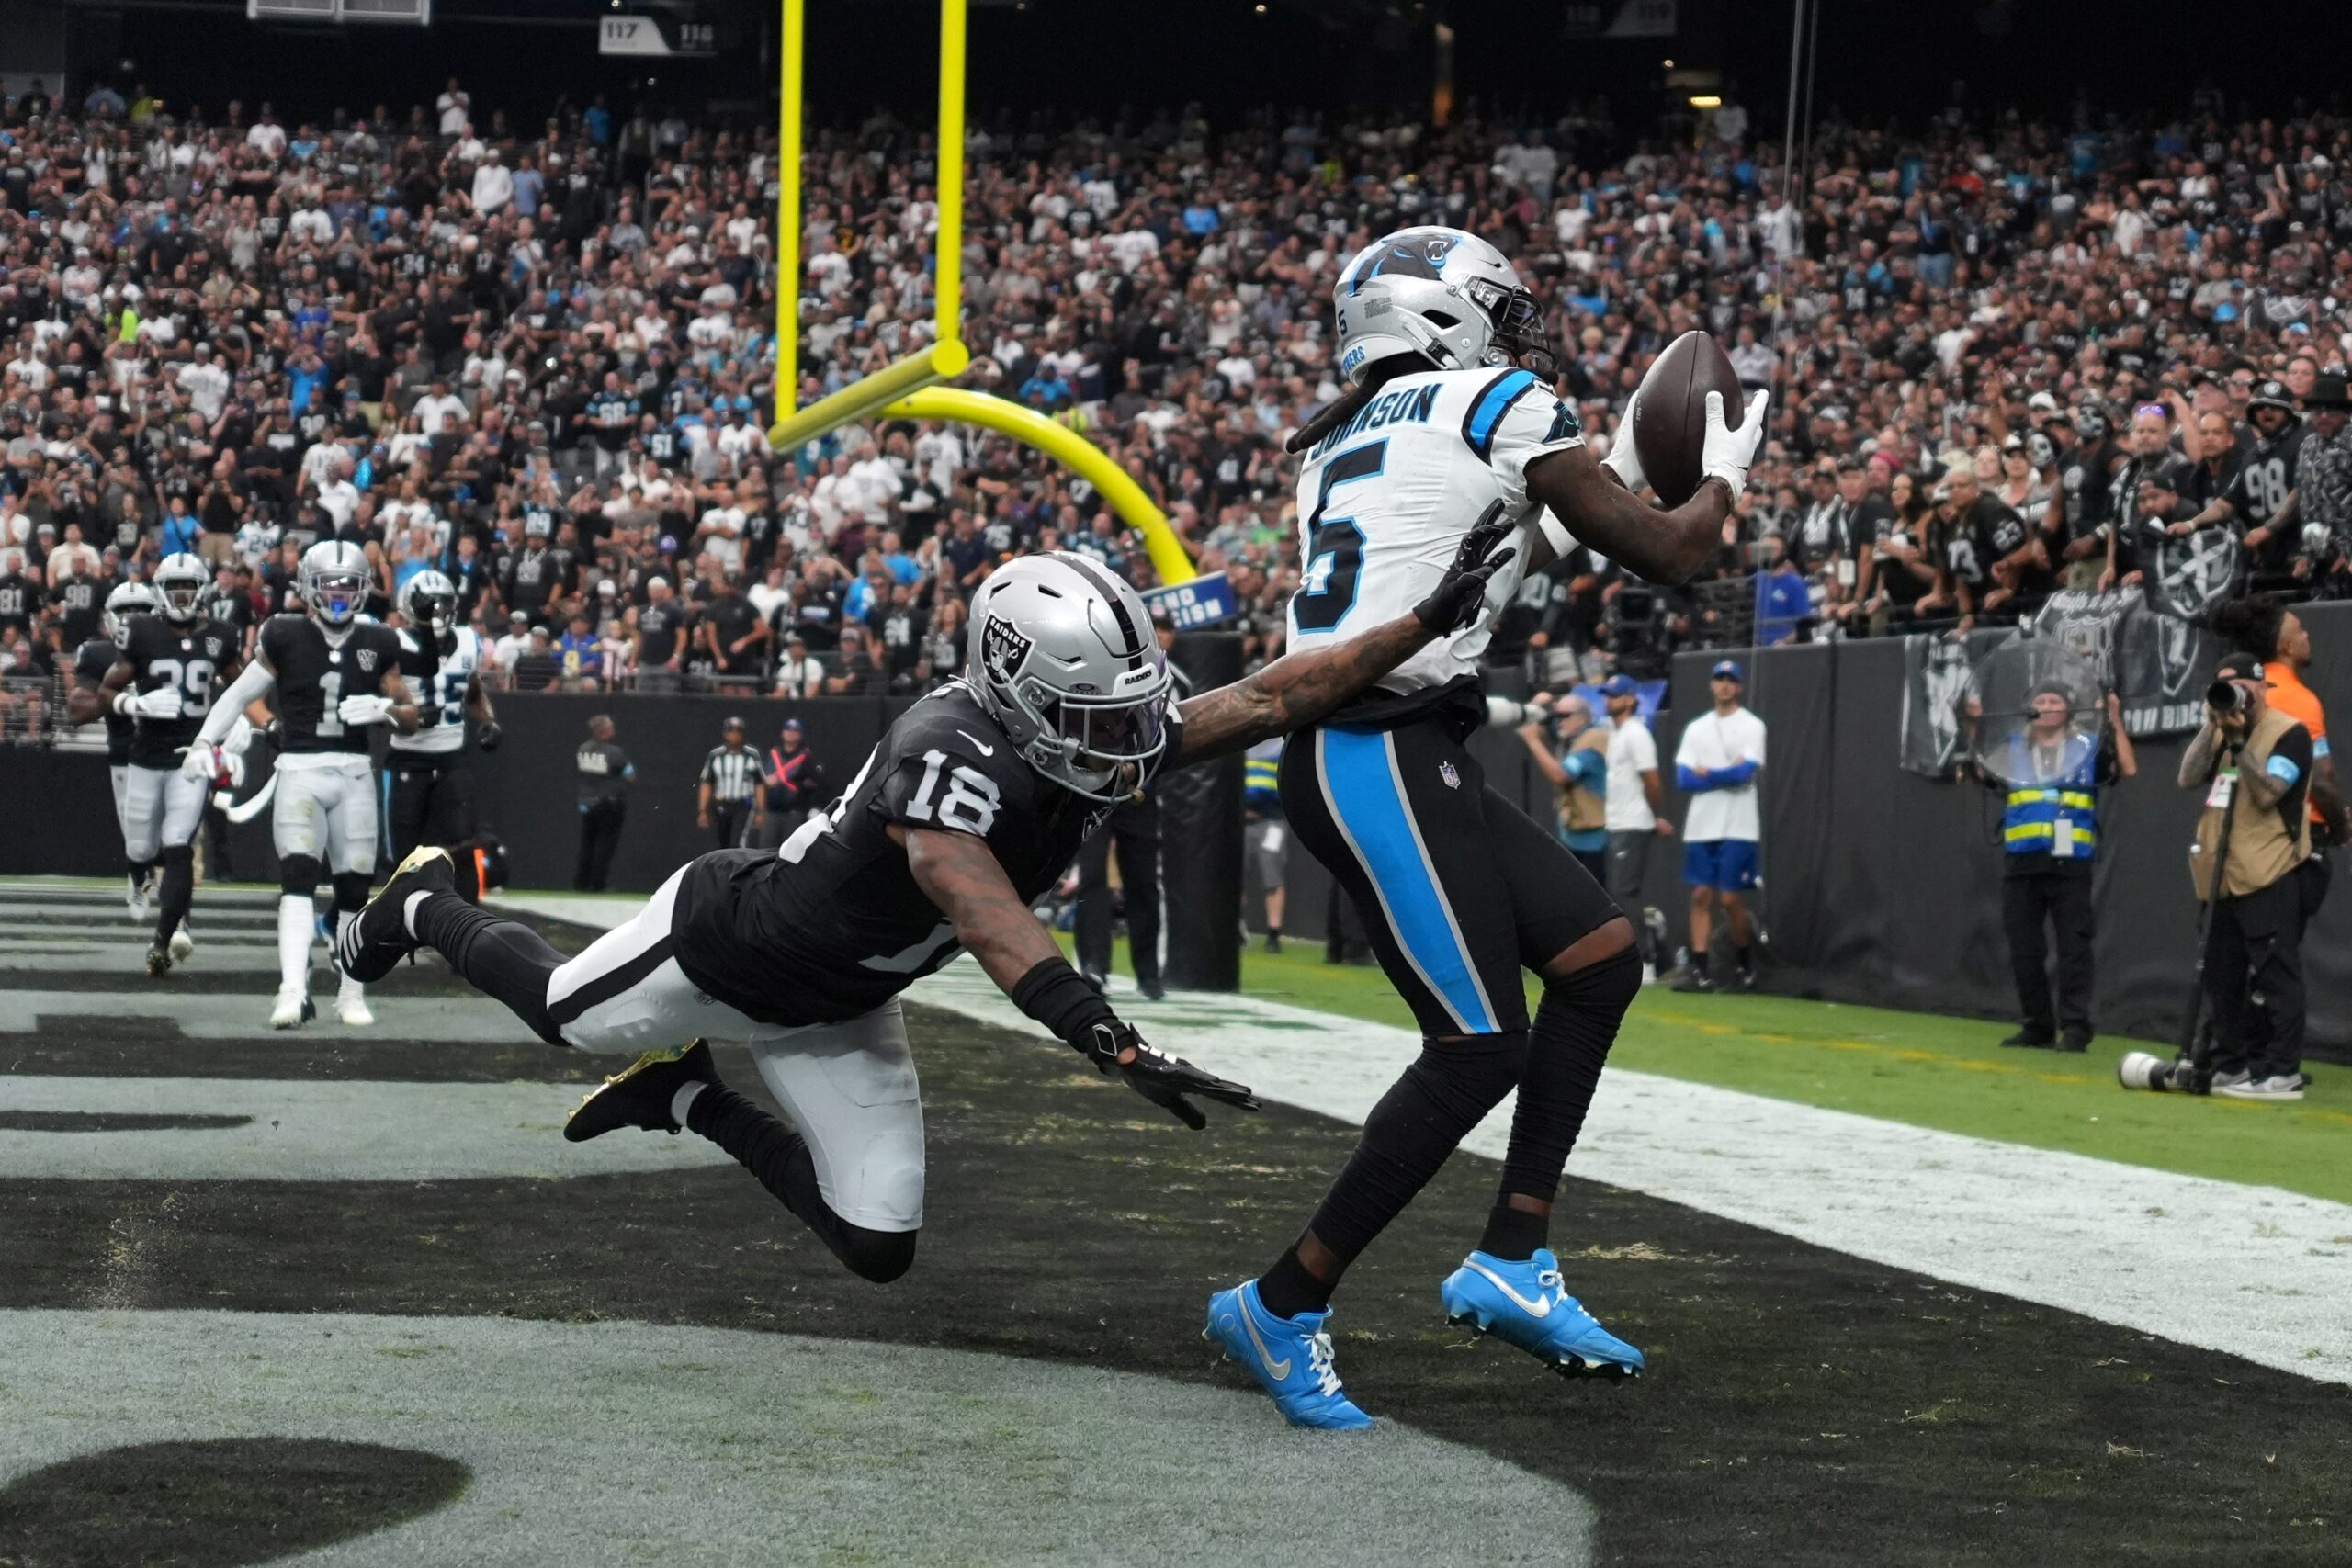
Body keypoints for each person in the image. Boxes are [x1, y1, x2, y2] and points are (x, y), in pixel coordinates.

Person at [331, 543, 1504, 1305]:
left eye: (1122, 712)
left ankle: (683, 1094)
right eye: (1087, 716)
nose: (1121, 742)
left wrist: (1411, 625)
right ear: (1011, 689)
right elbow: (986, 917)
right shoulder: (944, 753)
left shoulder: (1080, 727)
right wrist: (1102, 1036)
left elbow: (1263, 696)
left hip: (842, 1003)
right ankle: (424, 901)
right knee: (558, 1016)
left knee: (876, 1245)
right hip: (729, 947)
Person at [1206, 226, 1766, 1432]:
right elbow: (1674, 553)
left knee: (1601, 951)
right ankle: (1281, 1299)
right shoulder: (1496, 397)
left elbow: (1495, 557)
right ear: (1449, 317)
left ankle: (1514, 1252)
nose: (1519, 340)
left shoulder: (1343, 437)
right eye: (1500, 315)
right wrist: (1721, 469)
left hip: (1384, 748)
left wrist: (1605, 460)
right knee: (1475, 1044)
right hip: (1375, 751)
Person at [187, 539, 421, 1028]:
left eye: (348, 586)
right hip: (299, 770)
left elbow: (411, 718)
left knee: (355, 887)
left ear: (363, 589)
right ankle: (291, 988)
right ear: (308, 589)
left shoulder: (379, 641)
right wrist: (203, 742)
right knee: (296, 880)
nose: (339, 596)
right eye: (330, 586)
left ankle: (350, 993)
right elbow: (237, 695)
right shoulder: (284, 633)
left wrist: (386, 710)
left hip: (356, 773)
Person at [68, 555, 246, 976]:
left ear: (202, 591)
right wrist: (135, 702)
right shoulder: (140, 636)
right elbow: (102, 693)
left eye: (189, 587)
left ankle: (165, 939)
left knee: (178, 842)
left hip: (191, 755)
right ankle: (139, 875)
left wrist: (244, 722)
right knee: (140, 847)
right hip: (144, 756)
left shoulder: (222, 635)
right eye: (175, 587)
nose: (182, 596)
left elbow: (243, 687)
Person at [2177, 651, 2316, 1100]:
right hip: (2221, 876)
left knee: (2277, 977)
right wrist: (2211, 725)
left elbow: (2268, 794)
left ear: (2260, 687)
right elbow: (2187, 778)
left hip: (2269, 871)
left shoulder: (2290, 733)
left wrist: (2240, 744)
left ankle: (2283, 1071)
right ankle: (2230, 1065)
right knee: (2222, 976)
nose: (2237, 695)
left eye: (2241, 686)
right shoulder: (2220, 731)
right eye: (2224, 686)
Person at [1975, 685, 2135, 1051]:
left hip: (2071, 862)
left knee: (2073, 949)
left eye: (2055, 701)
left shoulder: (2087, 748)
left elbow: (2128, 766)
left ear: (2068, 710)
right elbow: (1980, 770)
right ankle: (2037, 1026)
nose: (2046, 707)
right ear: (2029, 710)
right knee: (2024, 949)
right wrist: (1973, 725)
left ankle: (2076, 1028)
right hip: (2022, 861)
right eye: (2040, 702)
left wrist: (2113, 718)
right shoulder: (2012, 748)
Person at [386, 571, 501, 865]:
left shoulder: (467, 640)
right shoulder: (394, 643)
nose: (437, 611)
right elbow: (380, 708)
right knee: (406, 853)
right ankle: (407, 910)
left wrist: (488, 721)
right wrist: (409, 718)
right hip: (410, 758)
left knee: (461, 843)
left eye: (443, 604)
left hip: (452, 758)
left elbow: (473, 693)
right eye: (429, 604)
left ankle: (462, 910)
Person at [1672, 660, 1767, 992]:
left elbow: (1745, 774)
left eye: (1731, 680)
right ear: (1712, 685)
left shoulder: (1752, 726)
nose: (1725, 685)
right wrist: (1724, 774)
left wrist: (1707, 773)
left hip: (1739, 823)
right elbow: (1683, 778)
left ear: (1738, 687)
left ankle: (1745, 962)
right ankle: (1700, 971)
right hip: (1702, 824)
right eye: (1719, 679)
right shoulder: (1696, 728)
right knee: (1700, 895)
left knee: (1729, 898)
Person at [71, 580, 159, 915]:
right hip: (124, 753)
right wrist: (120, 701)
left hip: (167, 751)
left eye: (142, 610)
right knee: (136, 837)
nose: (134, 617)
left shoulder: (171, 646)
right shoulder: (97, 652)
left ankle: (176, 916)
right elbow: (77, 712)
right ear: (110, 616)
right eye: (126, 610)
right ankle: (141, 878)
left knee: (172, 835)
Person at [1600, 673, 1671, 976]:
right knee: (1618, 893)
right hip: (1618, 822)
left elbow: (1652, 780)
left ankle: (1645, 962)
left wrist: (1651, 815)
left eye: (1615, 695)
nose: (1610, 700)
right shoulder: (1617, 733)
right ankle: (1637, 958)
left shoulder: (1636, 733)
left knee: (1624, 893)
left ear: (1630, 698)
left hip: (1631, 823)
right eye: (1607, 695)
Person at [1516, 693, 1610, 885]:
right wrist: (1539, 705)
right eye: (1556, 717)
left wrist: (1533, 741)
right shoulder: (1573, 735)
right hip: (1573, 837)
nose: (1559, 722)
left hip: (1594, 841)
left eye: (1565, 717)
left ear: (1582, 717)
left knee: (1593, 902)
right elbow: (1544, 725)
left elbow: (1560, 776)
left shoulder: (1594, 739)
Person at [574, 715, 633, 892]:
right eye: (611, 727)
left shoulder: (582, 749)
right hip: (608, 802)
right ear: (604, 731)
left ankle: (581, 882)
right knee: (604, 844)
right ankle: (597, 884)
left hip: (586, 802)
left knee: (587, 843)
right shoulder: (614, 752)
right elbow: (630, 775)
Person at [1243, 737, 1286, 952]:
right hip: (1242, 823)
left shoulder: (1281, 748)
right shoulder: (1240, 747)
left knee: (1273, 877)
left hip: (1272, 822)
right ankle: (1237, 929)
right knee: (1236, 877)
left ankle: (1273, 934)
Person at [698, 716, 765, 849]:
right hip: (721, 804)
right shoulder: (716, 755)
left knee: (738, 841)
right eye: (730, 731)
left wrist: (761, 811)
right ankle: (725, 869)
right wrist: (702, 810)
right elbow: (707, 783)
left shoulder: (751, 755)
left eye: (737, 731)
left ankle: (738, 868)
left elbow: (759, 784)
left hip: (743, 804)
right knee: (723, 842)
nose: (733, 735)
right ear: (725, 733)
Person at [761, 716, 827, 848]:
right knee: (766, 848)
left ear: (801, 735)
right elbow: (760, 777)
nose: (791, 733)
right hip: (772, 811)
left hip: (794, 812)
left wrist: (801, 786)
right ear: (782, 733)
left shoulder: (806, 757)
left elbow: (817, 784)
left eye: (795, 730)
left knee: (790, 849)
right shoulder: (773, 753)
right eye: (788, 729)